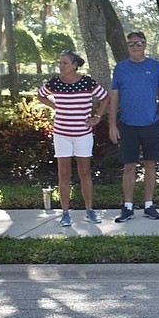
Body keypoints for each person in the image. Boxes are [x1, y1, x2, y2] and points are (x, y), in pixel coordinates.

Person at [37, 50, 109, 226]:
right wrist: (55, 106)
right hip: (61, 135)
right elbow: (40, 95)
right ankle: (65, 213)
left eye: (65, 63)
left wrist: (97, 117)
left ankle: (89, 211)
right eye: (60, 63)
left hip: (83, 135)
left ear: (75, 65)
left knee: (85, 173)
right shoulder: (54, 83)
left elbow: (105, 98)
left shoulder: (87, 82)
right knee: (64, 174)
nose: (61, 66)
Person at [108, 31, 159, 222]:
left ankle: (149, 205)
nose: (136, 46)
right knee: (129, 166)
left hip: (151, 125)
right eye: (132, 44)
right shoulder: (120, 68)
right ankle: (128, 207)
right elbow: (114, 98)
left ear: (145, 45)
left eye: (139, 43)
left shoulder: (155, 67)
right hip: (127, 125)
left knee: (150, 165)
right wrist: (112, 125)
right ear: (128, 46)